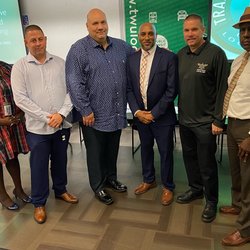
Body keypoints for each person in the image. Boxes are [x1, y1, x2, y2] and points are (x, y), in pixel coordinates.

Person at [65, 9, 134, 205]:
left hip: (116, 112)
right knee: (95, 154)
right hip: (92, 115)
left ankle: (111, 178)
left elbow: (138, 61)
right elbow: (73, 82)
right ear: (87, 26)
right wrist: (85, 109)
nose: (100, 27)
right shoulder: (78, 49)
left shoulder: (122, 47)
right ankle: (98, 186)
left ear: (107, 23)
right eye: (95, 23)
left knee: (112, 150)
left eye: (102, 22)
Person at [11, 25, 78, 224]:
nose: (38, 43)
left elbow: (71, 91)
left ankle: (61, 190)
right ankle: (39, 203)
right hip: (37, 129)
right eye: (33, 40)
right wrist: (47, 117)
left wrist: (61, 114)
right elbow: (20, 99)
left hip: (61, 124)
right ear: (26, 42)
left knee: (60, 160)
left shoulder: (60, 63)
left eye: (40, 39)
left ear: (45, 39)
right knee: (38, 166)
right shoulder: (20, 67)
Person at [176, 14, 228, 223]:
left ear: (203, 30)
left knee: (207, 163)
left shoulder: (216, 54)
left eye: (194, 29)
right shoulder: (180, 55)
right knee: (189, 159)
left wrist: (218, 120)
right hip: (185, 120)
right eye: (187, 30)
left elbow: (223, 88)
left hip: (206, 123)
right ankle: (195, 189)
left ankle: (212, 200)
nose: (190, 34)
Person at [127, 23, 178, 205]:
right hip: (141, 117)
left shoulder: (169, 57)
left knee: (166, 152)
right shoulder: (131, 59)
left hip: (162, 117)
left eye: (150, 34)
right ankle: (148, 180)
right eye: (143, 34)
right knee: (146, 149)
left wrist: (154, 113)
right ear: (138, 37)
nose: (147, 37)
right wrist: (138, 112)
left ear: (156, 35)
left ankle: (168, 186)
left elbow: (171, 91)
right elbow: (129, 89)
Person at [220, 7, 250, 246]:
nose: (246, 34)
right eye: (243, 30)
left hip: (248, 129)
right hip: (234, 124)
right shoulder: (239, 59)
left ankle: (246, 229)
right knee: (237, 173)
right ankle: (238, 206)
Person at [0, 61, 31, 210]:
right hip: (1, 123)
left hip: (13, 122)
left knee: (12, 156)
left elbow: (21, 91)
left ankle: (18, 189)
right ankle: (2, 195)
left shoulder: (7, 68)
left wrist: (21, 112)